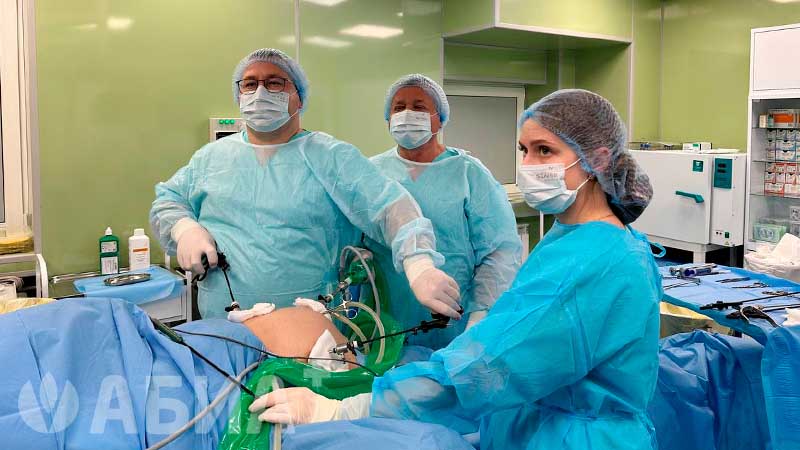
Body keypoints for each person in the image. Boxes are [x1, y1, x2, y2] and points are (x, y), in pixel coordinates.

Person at [248, 89, 664, 450]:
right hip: (544, 423)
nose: (529, 164)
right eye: (524, 149)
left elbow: (491, 366)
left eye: (545, 151)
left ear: (597, 158)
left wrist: (347, 409)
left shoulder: (592, 260)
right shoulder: (584, 238)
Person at [150, 49, 460, 319]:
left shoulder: (331, 157)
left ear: (299, 96)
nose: (260, 91)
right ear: (239, 93)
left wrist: (419, 264)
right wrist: (185, 229)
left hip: (313, 335)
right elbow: (169, 199)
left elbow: (391, 208)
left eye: (274, 83)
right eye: (250, 83)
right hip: (227, 327)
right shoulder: (211, 158)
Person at [366, 74, 521, 348]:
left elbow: (499, 251)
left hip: (456, 322)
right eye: (399, 107)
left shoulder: (468, 173)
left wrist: (481, 315)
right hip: (386, 321)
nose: (407, 114)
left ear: (440, 119)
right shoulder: (371, 173)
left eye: (419, 107)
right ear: (388, 118)